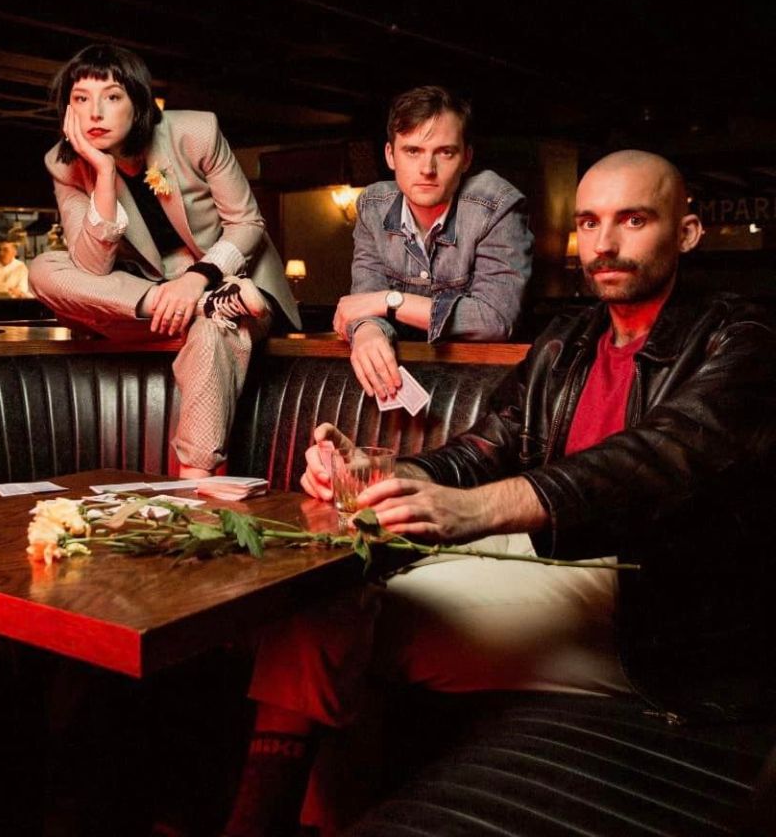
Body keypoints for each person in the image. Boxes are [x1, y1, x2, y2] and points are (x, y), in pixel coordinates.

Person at [223, 150, 776, 837]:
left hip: (651, 607)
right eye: (589, 223)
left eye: (633, 220)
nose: (604, 243)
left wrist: (476, 509)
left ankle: (266, 821)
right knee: (323, 596)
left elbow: (656, 458)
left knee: (329, 618)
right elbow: (485, 447)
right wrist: (381, 473)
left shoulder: (742, 338)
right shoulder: (568, 341)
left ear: (686, 232)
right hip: (546, 557)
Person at [29, 44, 300, 479]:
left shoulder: (195, 132)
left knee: (214, 329)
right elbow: (91, 268)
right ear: (67, 110)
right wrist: (103, 174)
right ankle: (209, 306)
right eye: (81, 99)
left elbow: (247, 222)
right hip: (157, 301)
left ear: (137, 103)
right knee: (43, 269)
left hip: (231, 276)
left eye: (112, 96)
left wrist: (198, 280)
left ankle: (194, 480)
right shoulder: (64, 166)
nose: (95, 112)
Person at [334, 85, 533, 400]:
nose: (427, 169)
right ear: (390, 155)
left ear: (466, 158)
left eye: (445, 152)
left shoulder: (497, 205)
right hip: (401, 382)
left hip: (489, 387)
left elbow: (494, 319)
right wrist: (367, 330)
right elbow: (364, 300)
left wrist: (390, 300)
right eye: (412, 151)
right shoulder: (373, 205)